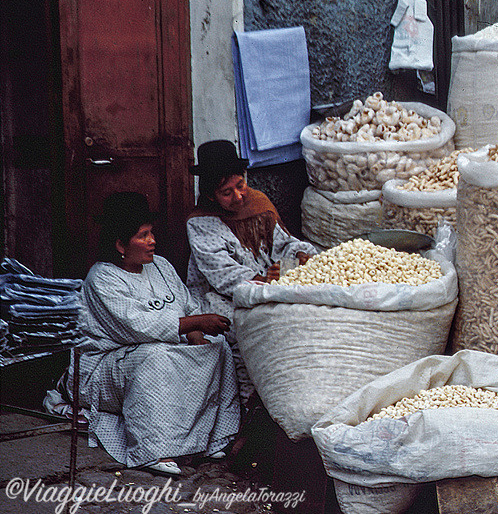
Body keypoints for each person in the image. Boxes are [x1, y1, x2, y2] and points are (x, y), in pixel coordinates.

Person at [69, 192, 241, 476]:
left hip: (159, 351)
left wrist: (198, 336)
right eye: (143, 235)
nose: (153, 241)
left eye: (152, 233)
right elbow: (137, 327)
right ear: (120, 244)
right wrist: (195, 322)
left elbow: (187, 305)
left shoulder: (160, 266)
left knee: (218, 346)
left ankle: (210, 439)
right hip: (106, 368)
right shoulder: (101, 278)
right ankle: (155, 449)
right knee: (154, 356)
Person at [186, 140, 318, 407]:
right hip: (221, 294)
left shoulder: (259, 204)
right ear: (211, 195)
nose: (238, 196)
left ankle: (287, 395)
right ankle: (248, 403)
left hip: (268, 284)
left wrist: (300, 254)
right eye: (226, 192)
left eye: (240, 185)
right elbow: (223, 273)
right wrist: (261, 281)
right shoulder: (200, 222)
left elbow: (284, 243)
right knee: (244, 329)